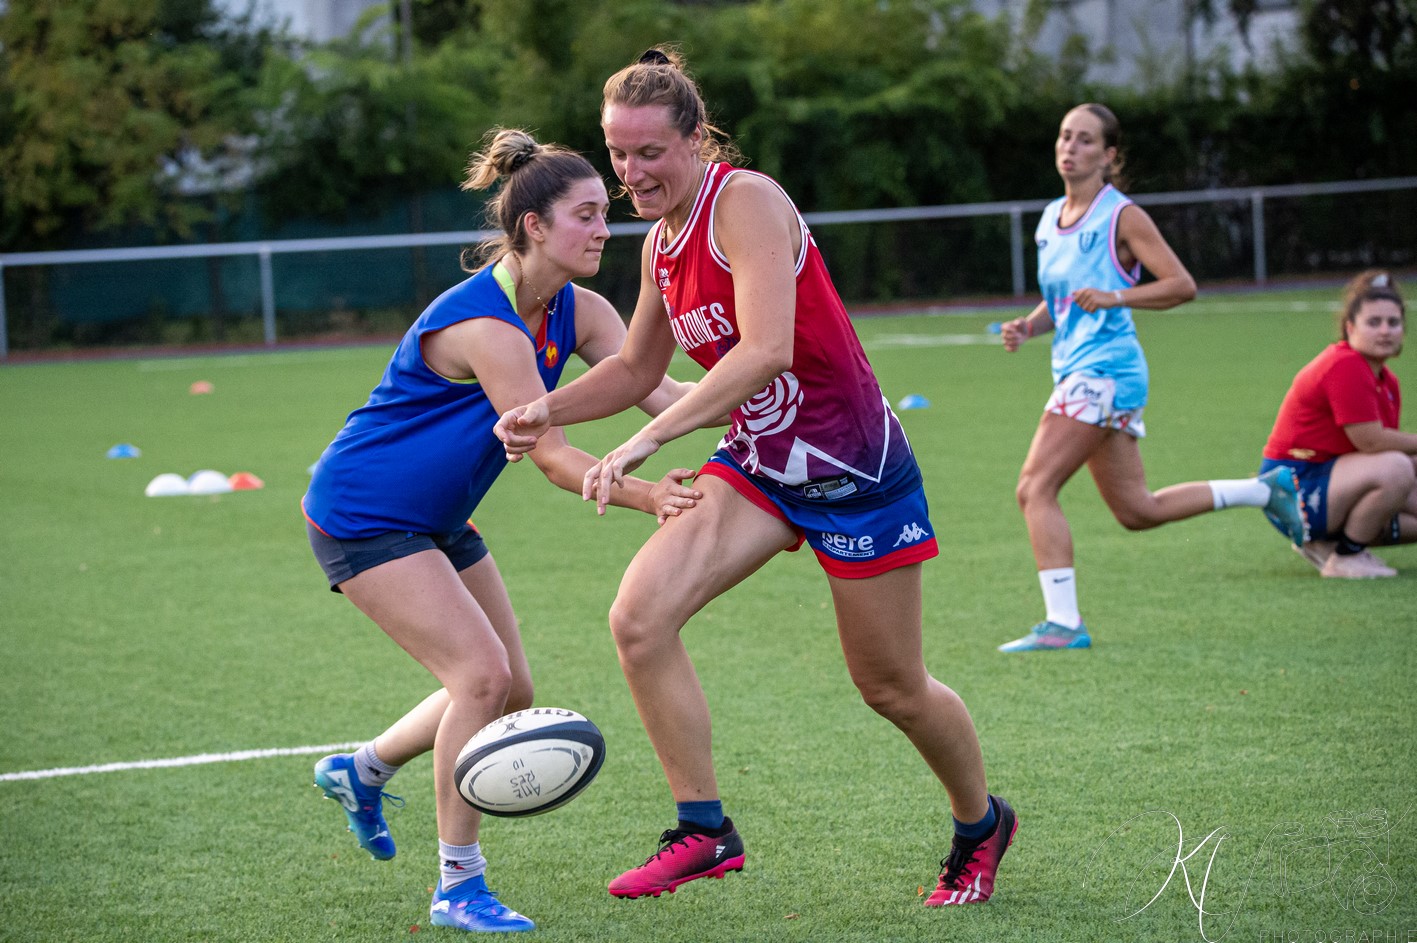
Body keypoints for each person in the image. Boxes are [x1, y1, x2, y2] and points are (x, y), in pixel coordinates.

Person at [495, 47, 1016, 908]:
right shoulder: (660, 245)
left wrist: (647, 439)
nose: (631, 173)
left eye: (649, 152)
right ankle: (703, 831)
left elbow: (765, 348)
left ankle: (980, 822)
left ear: (695, 137)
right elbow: (634, 368)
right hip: (761, 466)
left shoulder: (745, 202)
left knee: (890, 686)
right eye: (618, 154)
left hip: (854, 471)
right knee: (638, 618)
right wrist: (543, 410)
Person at [302, 128, 703, 934]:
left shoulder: (580, 309)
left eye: (604, 213)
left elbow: (659, 392)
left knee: (509, 689)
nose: (604, 228)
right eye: (586, 215)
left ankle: (362, 768)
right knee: (481, 680)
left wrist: (764, 405)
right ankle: (457, 885)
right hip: (364, 512)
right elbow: (550, 456)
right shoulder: (487, 326)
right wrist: (646, 493)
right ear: (534, 227)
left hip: (438, 518)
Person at [996, 102, 1309, 653]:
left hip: (1106, 371)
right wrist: (1029, 326)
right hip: (1082, 370)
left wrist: (1117, 296)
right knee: (1138, 511)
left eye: (1086, 140)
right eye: (1065, 136)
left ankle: (1063, 623)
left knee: (1034, 488)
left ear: (1108, 155)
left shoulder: (1122, 217)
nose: (1070, 147)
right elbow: (1064, 302)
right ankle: (1265, 490)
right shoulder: (1049, 219)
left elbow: (1182, 285)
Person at [1260, 270, 1415, 577]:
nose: (1385, 331)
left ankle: (1325, 543)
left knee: (1403, 466)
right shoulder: (1346, 364)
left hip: (1329, 480)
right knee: (1397, 468)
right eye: (1374, 322)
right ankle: (1346, 556)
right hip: (1292, 488)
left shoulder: (1386, 381)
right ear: (1350, 327)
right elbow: (1371, 442)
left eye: (1393, 322)